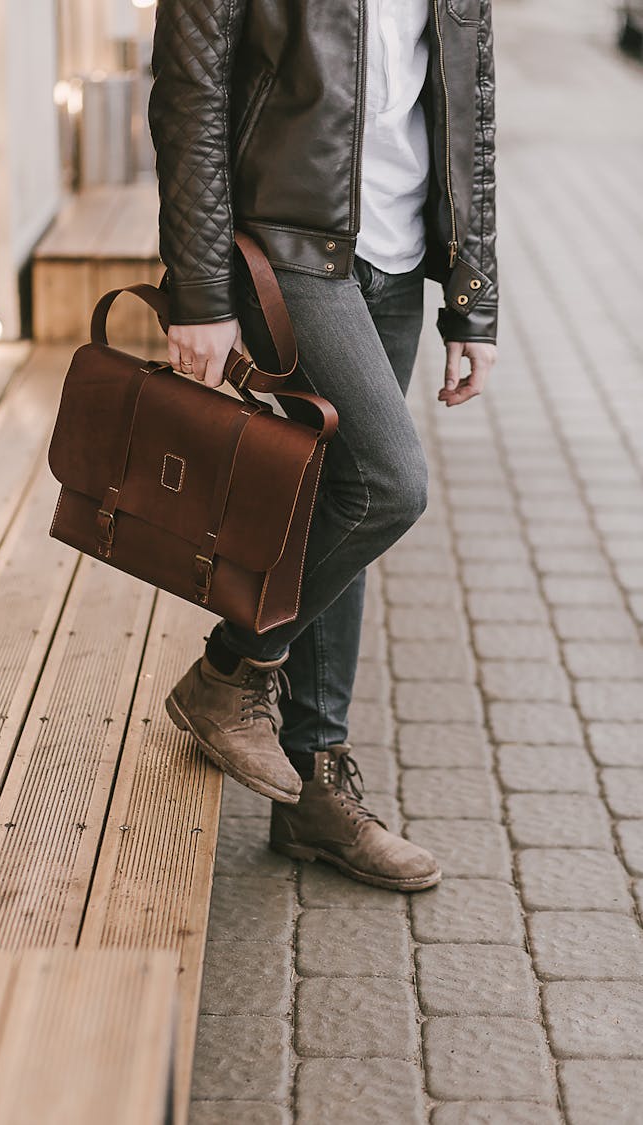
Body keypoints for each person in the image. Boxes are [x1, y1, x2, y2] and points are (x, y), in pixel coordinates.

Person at [149, 0, 497, 893]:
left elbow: (473, 102)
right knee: (387, 487)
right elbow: (189, 95)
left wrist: (472, 296)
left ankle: (312, 784)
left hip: (398, 252)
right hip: (288, 249)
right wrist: (198, 288)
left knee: (338, 504)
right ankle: (228, 672)